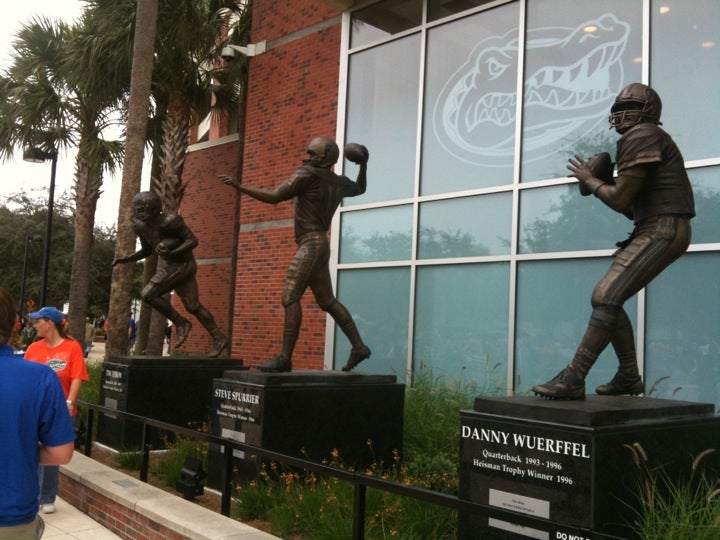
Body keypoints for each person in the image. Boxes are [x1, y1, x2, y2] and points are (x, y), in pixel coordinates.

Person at [532, 83, 695, 399]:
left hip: (663, 229)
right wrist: (602, 184)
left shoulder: (642, 135)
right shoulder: (644, 138)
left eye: (628, 107)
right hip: (657, 226)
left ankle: (574, 376)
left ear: (648, 111)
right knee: (609, 299)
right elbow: (632, 207)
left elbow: (620, 201)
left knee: (605, 295)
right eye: (618, 109)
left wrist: (592, 182)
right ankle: (628, 377)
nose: (621, 114)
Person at [219, 136, 372, 372]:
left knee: (290, 296)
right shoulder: (338, 182)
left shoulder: (306, 174)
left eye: (313, 153)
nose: (307, 156)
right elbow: (361, 188)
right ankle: (359, 346)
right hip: (321, 243)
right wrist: (363, 166)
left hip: (310, 243)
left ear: (325, 158)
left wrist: (240, 187)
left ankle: (284, 358)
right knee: (327, 301)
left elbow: (275, 196)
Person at [112, 191, 228, 357]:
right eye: (138, 209)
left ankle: (181, 323)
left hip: (182, 264)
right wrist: (126, 259)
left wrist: (173, 253)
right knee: (193, 306)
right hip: (174, 265)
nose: (142, 213)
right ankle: (219, 337)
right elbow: (147, 250)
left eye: (146, 209)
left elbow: (192, 240)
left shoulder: (170, 221)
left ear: (155, 209)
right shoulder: (139, 226)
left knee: (148, 294)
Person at [0, 289, 75, 538]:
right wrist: (19, 449)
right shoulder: (39, 377)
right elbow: (62, 453)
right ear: (14, 324)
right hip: (12, 516)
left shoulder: (67, 352)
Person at [24, 306, 89, 514]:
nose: (34, 325)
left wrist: (69, 403)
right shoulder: (33, 348)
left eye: (37, 321)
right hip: (34, 409)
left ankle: (47, 496)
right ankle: (31, 493)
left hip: (59, 410)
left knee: (51, 453)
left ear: (49, 323)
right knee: (30, 450)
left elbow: (77, 377)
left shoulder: (72, 347)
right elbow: (25, 378)